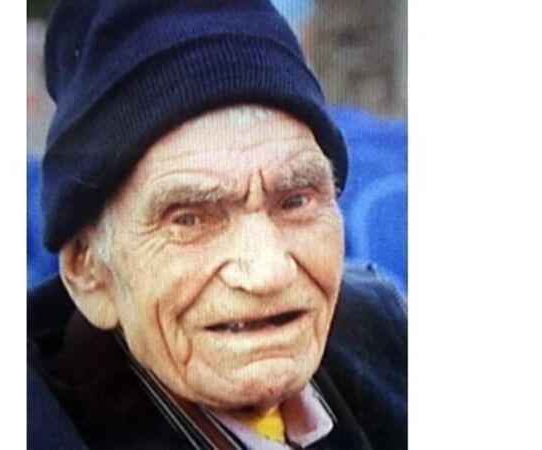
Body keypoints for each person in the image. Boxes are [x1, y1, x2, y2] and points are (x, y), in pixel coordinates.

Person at [27, 1, 407, 449]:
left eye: (295, 201)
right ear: (88, 271)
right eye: (190, 219)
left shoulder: (383, 338)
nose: (267, 273)